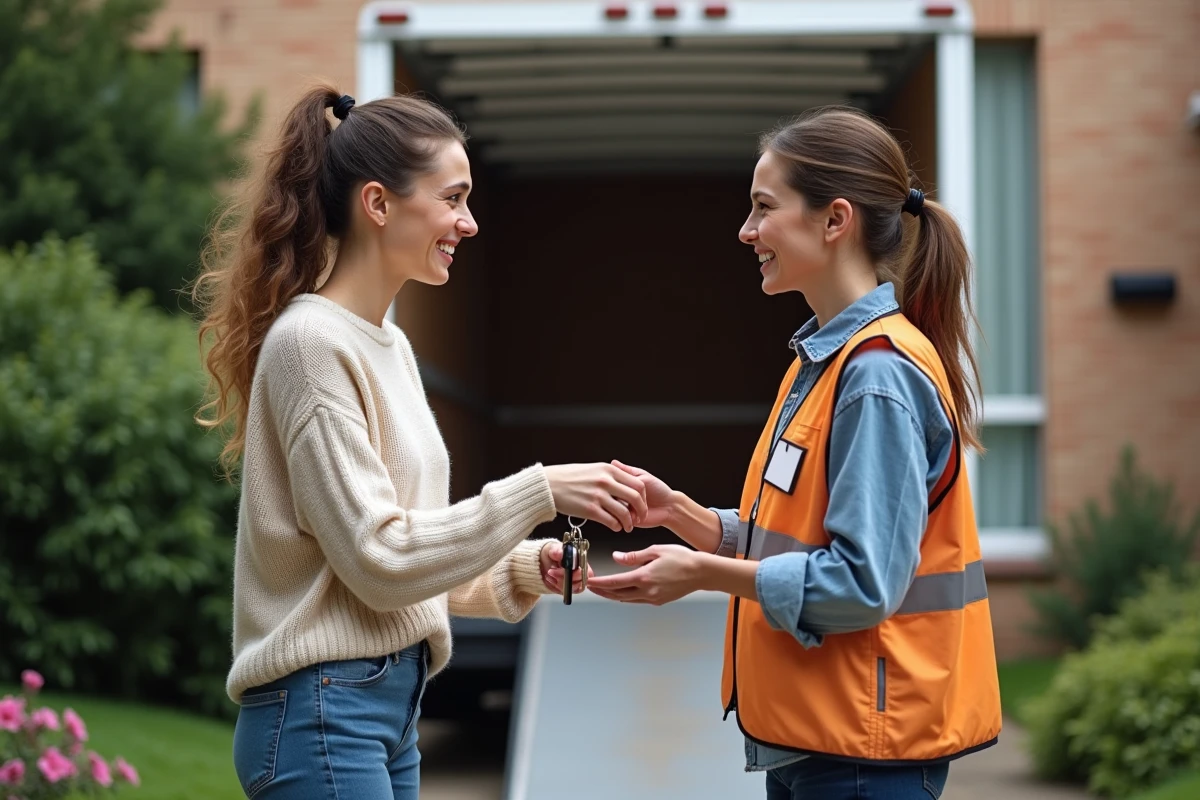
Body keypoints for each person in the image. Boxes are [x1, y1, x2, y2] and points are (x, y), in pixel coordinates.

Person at [191, 85, 648, 800]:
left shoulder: (390, 347)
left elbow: (402, 565)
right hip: (322, 713)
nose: (468, 223)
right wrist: (540, 490)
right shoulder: (311, 345)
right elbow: (379, 559)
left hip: (382, 709)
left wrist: (527, 567)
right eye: (453, 198)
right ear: (378, 204)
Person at [588, 106, 1003, 799]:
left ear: (834, 220)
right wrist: (688, 517)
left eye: (763, 208)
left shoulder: (875, 376)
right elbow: (799, 538)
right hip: (823, 743)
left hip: (863, 758)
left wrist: (705, 573)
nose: (746, 231)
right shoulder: (827, 360)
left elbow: (861, 584)